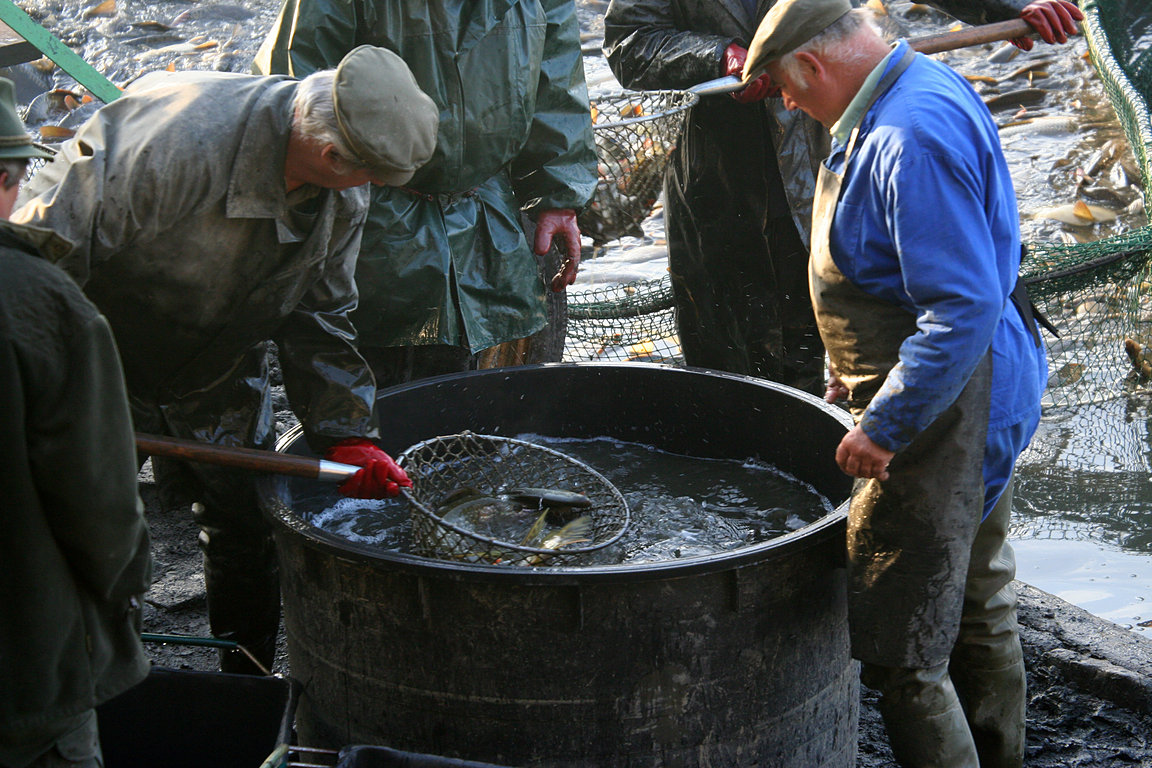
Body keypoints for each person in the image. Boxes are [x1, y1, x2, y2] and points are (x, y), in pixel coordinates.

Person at [12, 45, 437, 676]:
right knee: (67, 530)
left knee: (248, 527)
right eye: (369, 175)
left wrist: (346, 432)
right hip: (97, 353)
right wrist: (44, 395)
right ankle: (73, 679)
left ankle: (247, 678)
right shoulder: (172, 145)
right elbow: (35, 264)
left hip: (218, 361)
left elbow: (319, 314)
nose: (371, 189)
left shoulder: (343, 194)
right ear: (329, 154)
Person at [741, 1, 1051, 765]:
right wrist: (851, 375)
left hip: (951, 409)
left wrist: (884, 426)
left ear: (813, 66)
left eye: (784, 85)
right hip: (984, 382)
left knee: (904, 651)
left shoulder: (907, 135)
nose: (786, 102)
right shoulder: (922, 86)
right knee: (978, 593)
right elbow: (899, 274)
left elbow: (960, 307)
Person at [603, 0, 1081, 394]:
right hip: (720, 170)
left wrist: (1006, 9)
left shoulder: (909, 134)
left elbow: (959, 305)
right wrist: (721, 57)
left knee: (856, 321)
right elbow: (628, 43)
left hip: (832, 132)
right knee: (727, 348)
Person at [251, 0, 599, 384]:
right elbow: (295, 98)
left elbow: (557, 77)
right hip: (368, 199)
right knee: (363, 374)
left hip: (487, 203)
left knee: (479, 388)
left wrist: (559, 195)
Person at [0, 76, 152, 768]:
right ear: (7, 178)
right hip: (24, 673)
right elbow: (100, 503)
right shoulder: (38, 302)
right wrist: (124, 592)